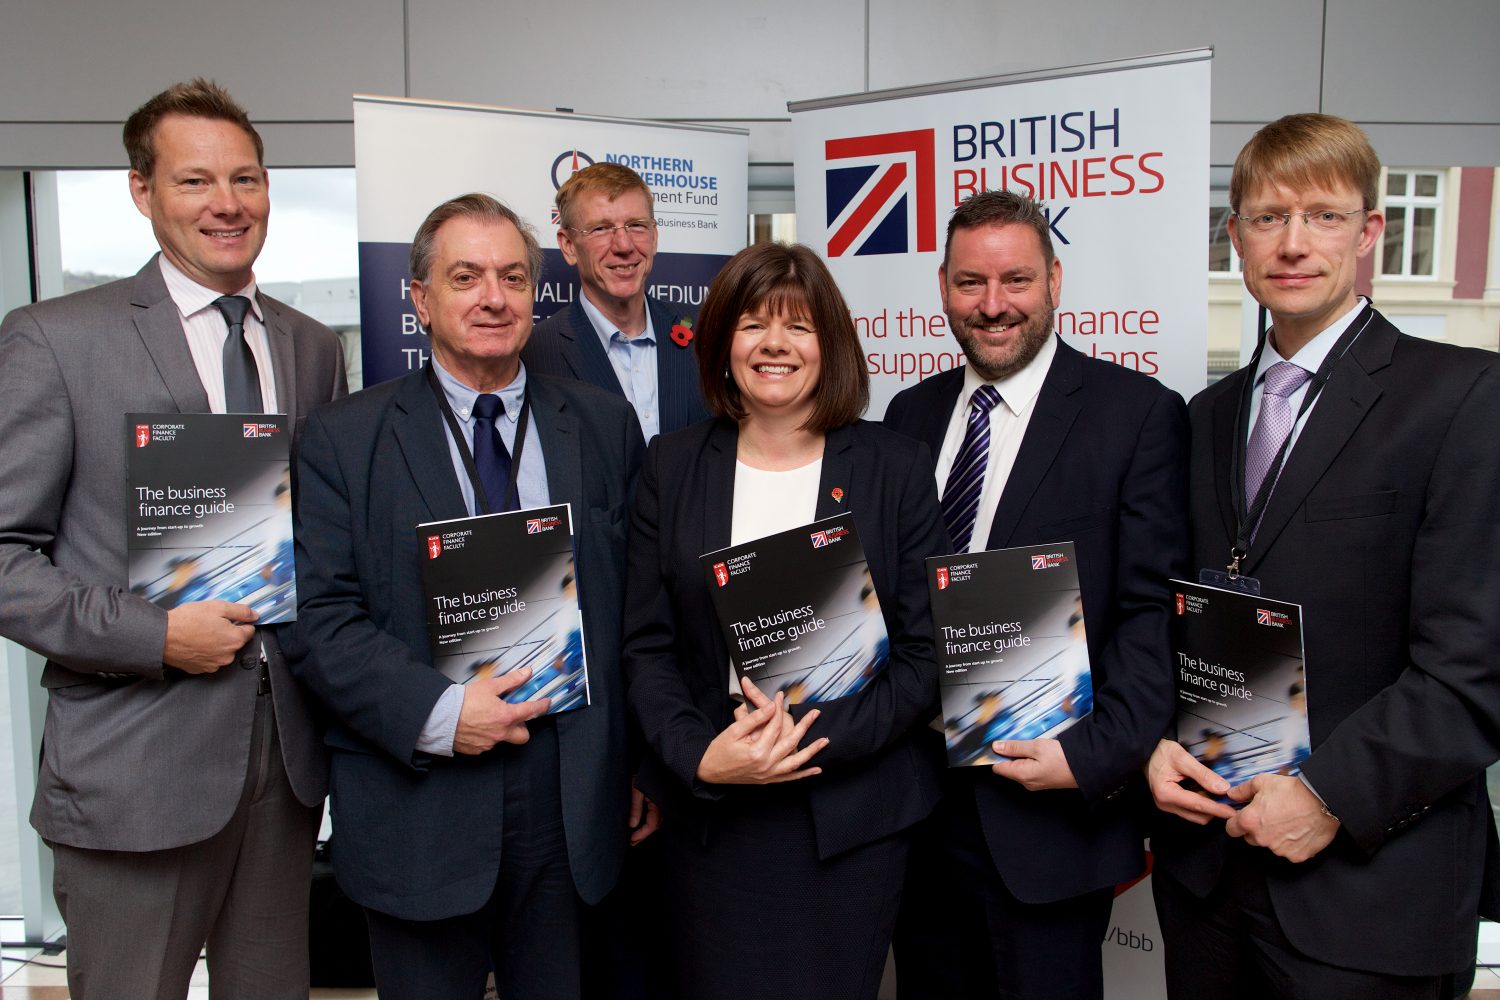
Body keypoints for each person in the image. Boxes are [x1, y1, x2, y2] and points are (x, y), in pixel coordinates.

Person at [0, 79, 346, 998]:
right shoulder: (55, 340)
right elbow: (3, 559)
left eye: (246, 178)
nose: (226, 204)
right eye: (195, 181)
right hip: (135, 763)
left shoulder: (313, 347)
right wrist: (153, 637)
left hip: (285, 765)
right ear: (141, 190)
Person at [1146, 113, 1500, 999]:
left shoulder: (1462, 398)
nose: (1294, 242)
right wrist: (1149, 744)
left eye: (1324, 215)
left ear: (1370, 230)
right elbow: (1176, 612)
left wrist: (1330, 795)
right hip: (1206, 882)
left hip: (1369, 892)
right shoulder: (1206, 417)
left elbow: (1476, 663)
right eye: (1267, 217)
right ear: (1235, 238)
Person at [291, 193, 650, 1000]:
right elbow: (320, 618)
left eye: (513, 277)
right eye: (466, 276)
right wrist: (443, 714)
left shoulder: (601, 424)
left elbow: (636, 609)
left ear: (534, 294)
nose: (494, 296)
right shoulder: (343, 438)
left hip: (573, 799)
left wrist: (641, 762)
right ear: (420, 297)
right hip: (421, 795)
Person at [883, 189, 1188, 1000]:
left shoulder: (1137, 416)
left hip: (1047, 810)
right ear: (942, 285)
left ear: (1055, 279)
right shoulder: (907, 416)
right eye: (971, 283)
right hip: (916, 810)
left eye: (1016, 280)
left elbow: (1152, 615)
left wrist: (1089, 759)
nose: (993, 306)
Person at [623, 242, 946, 1000]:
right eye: (752, 324)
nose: (775, 344)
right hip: (714, 819)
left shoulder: (894, 467)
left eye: (799, 326)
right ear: (720, 343)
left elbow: (928, 656)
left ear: (828, 343)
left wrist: (809, 739)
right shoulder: (671, 467)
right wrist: (701, 757)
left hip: (851, 820)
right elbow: (646, 644)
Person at [522, 161, 709, 440]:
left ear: (654, 237)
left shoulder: (705, 332)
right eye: (600, 229)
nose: (623, 246)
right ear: (568, 246)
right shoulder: (535, 352)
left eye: (636, 226)